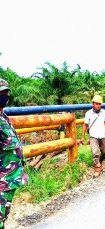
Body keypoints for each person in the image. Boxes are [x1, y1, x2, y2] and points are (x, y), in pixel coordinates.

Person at [0, 79, 29, 229]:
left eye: (6, 93)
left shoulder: (3, 116)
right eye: (1, 93)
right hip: (2, 180)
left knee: (3, 215)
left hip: (10, 179)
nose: (5, 96)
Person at [80, 95, 105, 178]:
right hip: (93, 136)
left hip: (102, 135)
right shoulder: (88, 113)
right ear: (93, 104)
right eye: (96, 104)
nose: (98, 105)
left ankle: (100, 163)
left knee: (104, 152)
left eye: (100, 104)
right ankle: (97, 169)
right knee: (95, 153)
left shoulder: (104, 113)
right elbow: (85, 125)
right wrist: (82, 136)